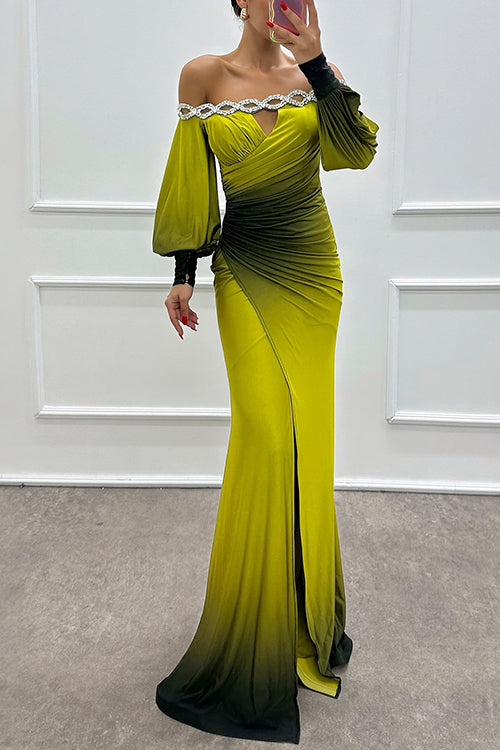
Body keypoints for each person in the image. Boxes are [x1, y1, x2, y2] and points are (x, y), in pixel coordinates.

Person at [151, 0, 379, 743]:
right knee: (265, 434)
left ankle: (307, 619)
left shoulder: (319, 75)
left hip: (314, 272)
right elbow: (191, 176)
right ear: (240, 4)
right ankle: (254, 621)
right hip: (245, 268)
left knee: (307, 438)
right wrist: (184, 273)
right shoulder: (202, 77)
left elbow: (355, 152)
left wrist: (316, 63)